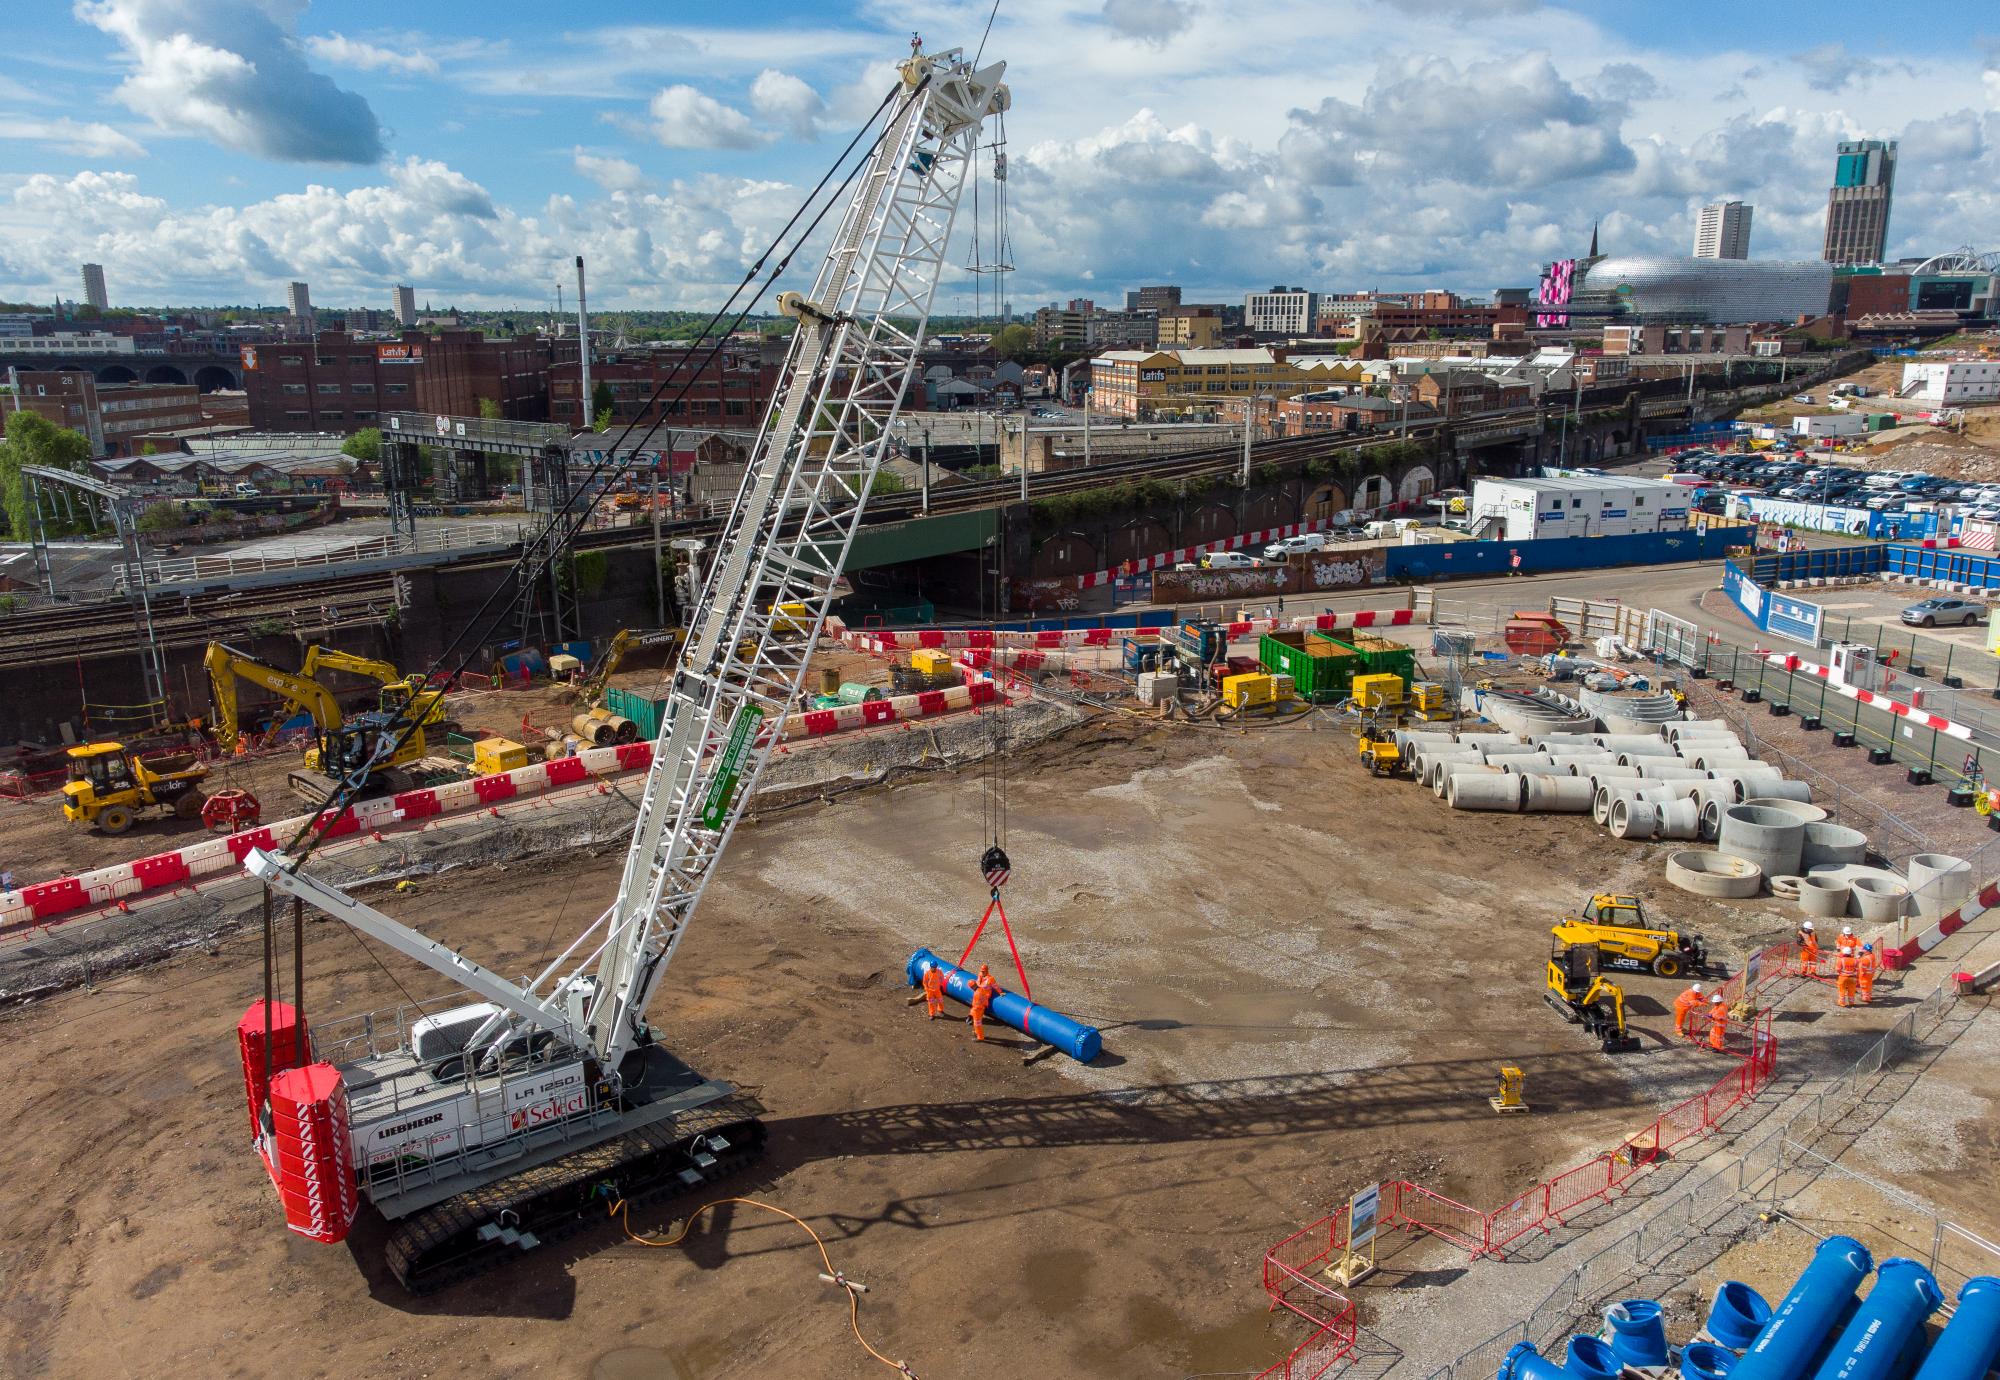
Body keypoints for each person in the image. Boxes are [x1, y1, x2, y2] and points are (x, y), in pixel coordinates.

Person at [969, 963, 998, 1041]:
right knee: (976, 1023)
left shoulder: (990, 980)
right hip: (981, 1006)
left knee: (977, 1023)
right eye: (982, 971)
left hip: (978, 1009)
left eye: (984, 971)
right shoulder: (980, 989)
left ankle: (980, 1037)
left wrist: (971, 1014)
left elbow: (975, 1006)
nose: (982, 972)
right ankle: (976, 1032)